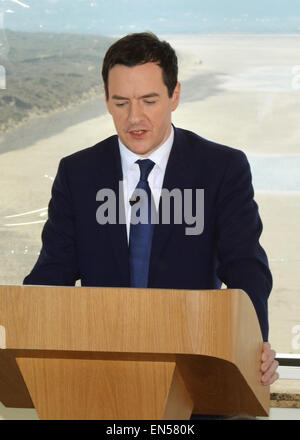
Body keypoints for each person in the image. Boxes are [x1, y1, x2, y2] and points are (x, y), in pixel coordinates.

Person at [23, 32, 279, 390]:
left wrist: (255, 345)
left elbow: (246, 267)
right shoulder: (77, 174)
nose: (135, 118)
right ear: (107, 101)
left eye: (149, 100)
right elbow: (53, 272)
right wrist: (19, 327)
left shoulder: (222, 168)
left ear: (174, 96)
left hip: (196, 377)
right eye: (122, 102)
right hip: (101, 380)